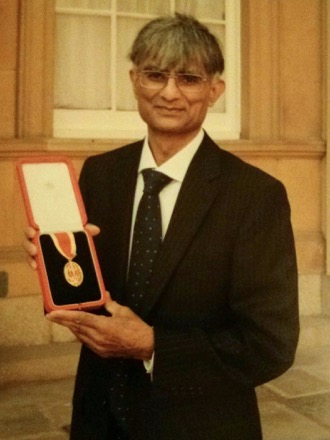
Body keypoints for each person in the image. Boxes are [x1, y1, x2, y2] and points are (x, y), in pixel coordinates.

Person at [24, 13, 299, 440]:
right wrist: (56, 272)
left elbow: (270, 345)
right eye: (155, 75)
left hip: (200, 427)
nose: (169, 93)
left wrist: (153, 346)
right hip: (100, 420)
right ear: (135, 80)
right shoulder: (101, 173)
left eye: (188, 79)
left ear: (215, 90)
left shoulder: (255, 196)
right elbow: (90, 304)